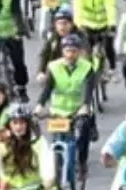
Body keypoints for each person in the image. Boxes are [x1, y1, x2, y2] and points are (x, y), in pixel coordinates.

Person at [35, 34, 98, 178]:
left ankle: (82, 164)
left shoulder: (87, 68)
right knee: (56, 139)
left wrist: (85, 106)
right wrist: (39, 105)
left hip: (78, 110)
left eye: (74, 51)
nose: (70, 54)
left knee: (82, 134)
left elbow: (88, 91)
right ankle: (57, 164)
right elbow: (47, 89)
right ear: (62, 51)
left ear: (80, 52)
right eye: (67, 50)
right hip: (57, 110)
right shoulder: (54, 66)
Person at [71, 0, 119, 76]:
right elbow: (77, 9)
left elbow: (110, 5)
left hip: (104, 24)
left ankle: (112, 68)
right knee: (86, 51)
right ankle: (88, 72)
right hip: (88, 25)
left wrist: (111, 24)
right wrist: (79, 25)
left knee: (108, 46)